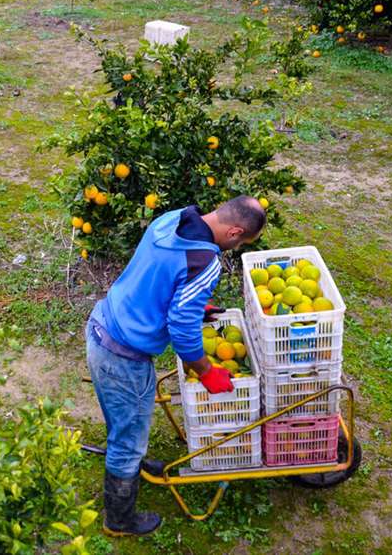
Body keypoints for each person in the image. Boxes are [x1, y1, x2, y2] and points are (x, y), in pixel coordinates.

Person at [86, 196, 267, 537]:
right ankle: (119, 520)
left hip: (103, 323)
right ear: (235, 231)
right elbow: (182, 332)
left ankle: (132, 466)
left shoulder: (173, 219)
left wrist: (192, 304)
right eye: (241, 242)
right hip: (123, 356)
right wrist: (207, 371)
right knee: (128, 439)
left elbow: (157, 274)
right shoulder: (204, 261)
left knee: (122, 420)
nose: (236, 247)